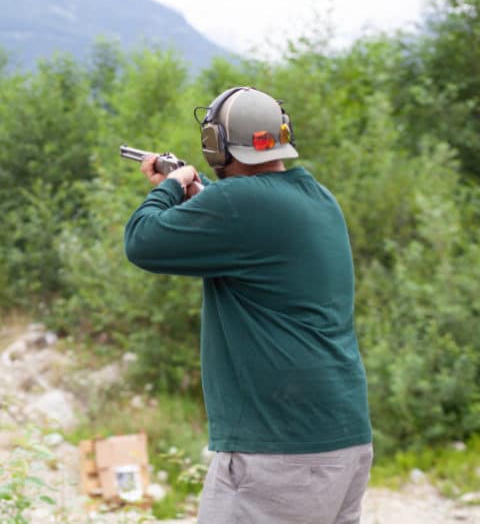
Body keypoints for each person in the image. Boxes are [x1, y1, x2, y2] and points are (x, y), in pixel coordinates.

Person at [123, 86, 373, 524]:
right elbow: (256, 244)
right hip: (343, 440)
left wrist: (170, 186)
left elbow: (141, 241)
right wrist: (201, 200)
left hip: (277, 451)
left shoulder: (237, 204)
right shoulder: (318, 198)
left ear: (216, 146)